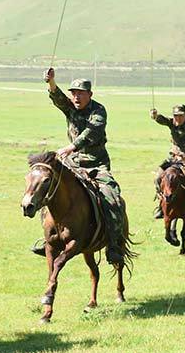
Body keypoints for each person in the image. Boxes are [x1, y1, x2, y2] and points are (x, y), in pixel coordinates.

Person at [36, 68, 125, 266]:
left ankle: (113, 244)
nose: (76, 97)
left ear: (90, 95)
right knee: (48, 189)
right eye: (73, 93)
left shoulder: (98, 111)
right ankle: (48, 239)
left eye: (80, 93)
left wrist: (71, 146)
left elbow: (92, 132)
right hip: (72, 163)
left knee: (112, 198)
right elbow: (58, 98)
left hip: (96, 164)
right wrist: (51, 82)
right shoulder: (70, 108)